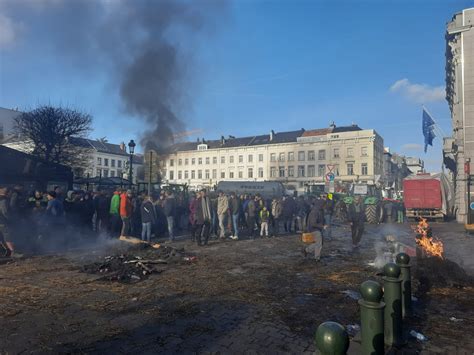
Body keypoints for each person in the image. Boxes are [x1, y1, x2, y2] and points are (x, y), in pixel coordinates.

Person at [0, 188, 16, 257]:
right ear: (8, 193)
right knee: (7, 236)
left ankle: (8, 251)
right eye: (10, 193)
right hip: (3, 222)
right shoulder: (3, 200)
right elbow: (5, 211)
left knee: (1, 237)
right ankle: (13, 252)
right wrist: (10, 220)